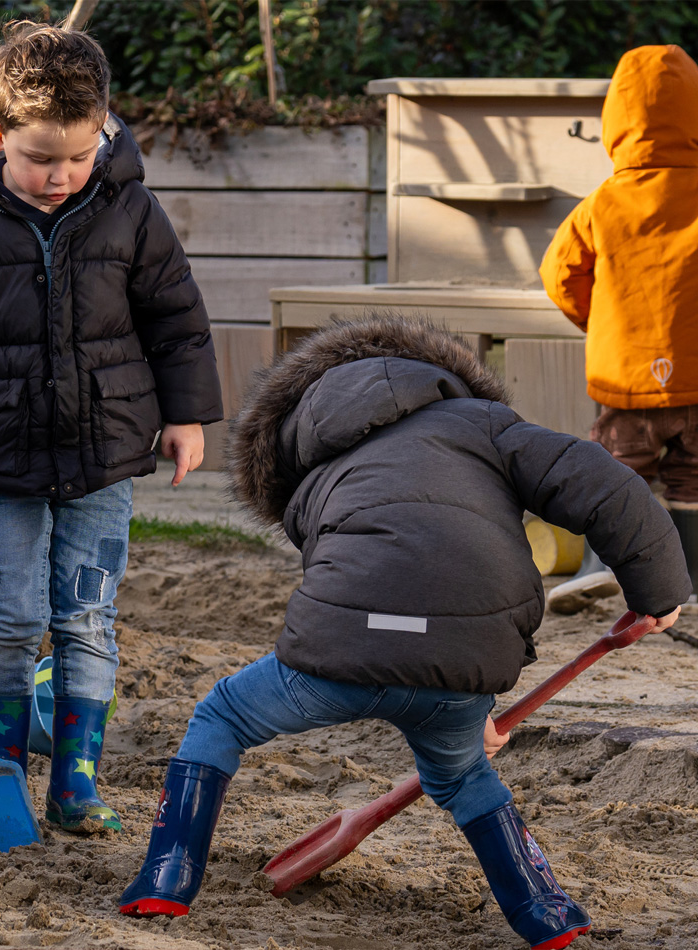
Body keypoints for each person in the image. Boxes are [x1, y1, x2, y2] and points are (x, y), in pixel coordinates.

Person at [118, 313, 688, 950]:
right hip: (464, 661)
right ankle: (546, 914)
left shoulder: (312, 470)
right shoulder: (490, 428)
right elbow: (602, 485)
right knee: (464, 775)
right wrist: (658, 594)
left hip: (339, 654)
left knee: (221, 718)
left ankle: (166, 878)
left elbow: (366, 567)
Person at [0, 21, 223, 835]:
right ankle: (5, 774)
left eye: (77, 154)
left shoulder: (128, 209)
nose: (60, 175)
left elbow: (177, 318)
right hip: (1, 456)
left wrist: (187, 413)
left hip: (104, 452)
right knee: (13, 616)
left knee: (87, 615)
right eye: (39, 158)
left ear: (104, 130)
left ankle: (76, 784)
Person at [540, 44, 698, 615]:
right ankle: (691, 575)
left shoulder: (602, 202)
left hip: (627, 376)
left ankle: (601, 565)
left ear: (616, 124)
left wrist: (600, 322)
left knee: (616, 470)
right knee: (693, 480)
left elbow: (559, 275)